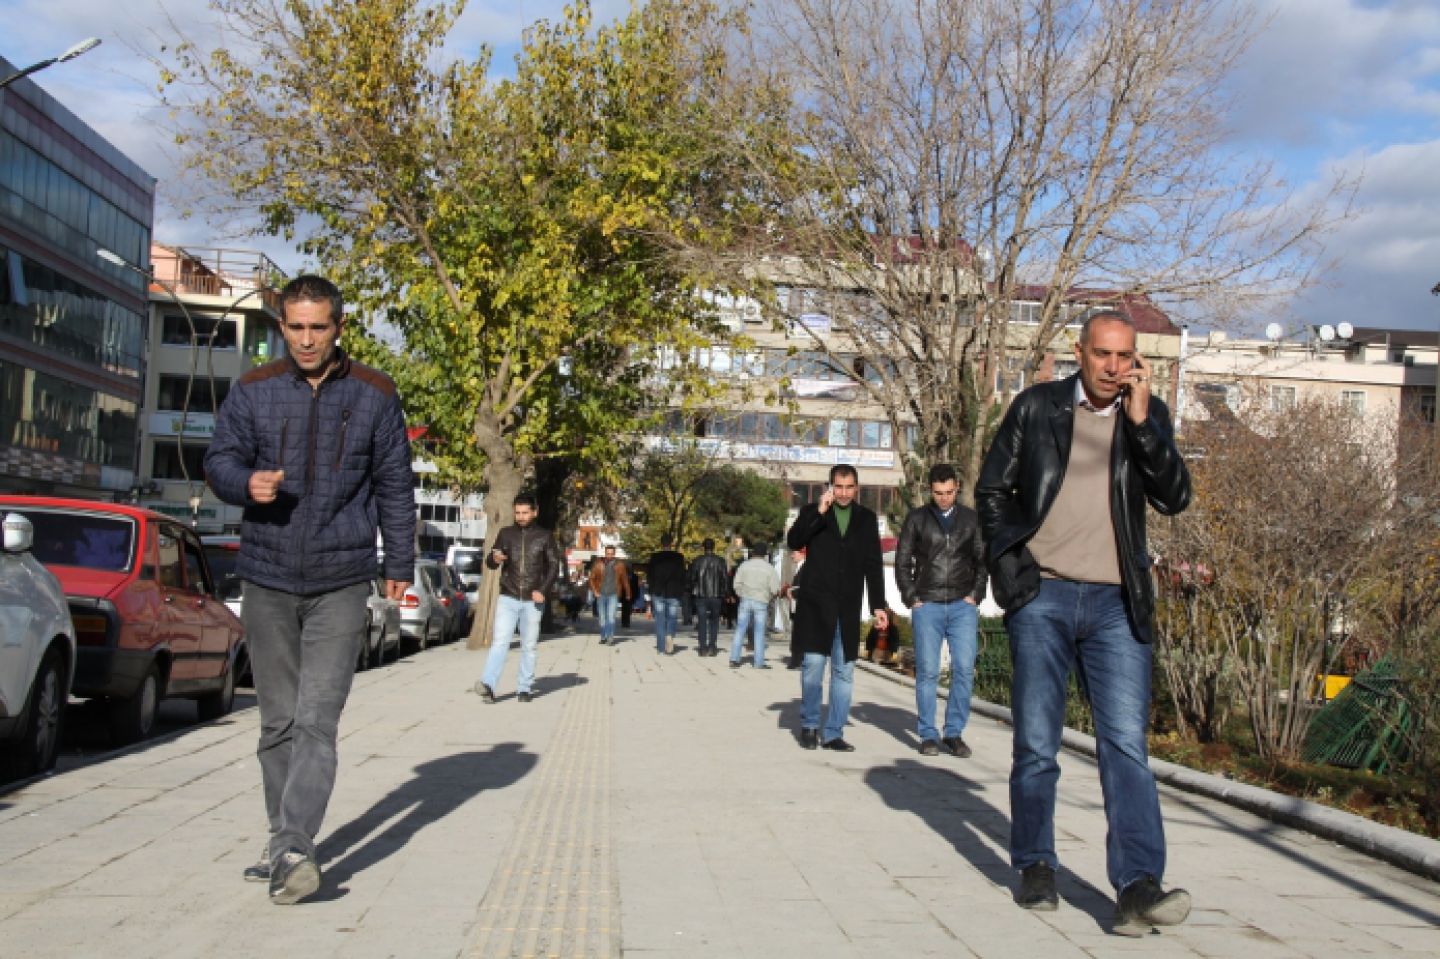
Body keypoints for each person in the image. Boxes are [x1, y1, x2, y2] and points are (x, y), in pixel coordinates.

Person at [975, 310, 1192, 936]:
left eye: (1125, 357)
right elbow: (993, 491)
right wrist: (1012, 569)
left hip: (1117, 603)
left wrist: (1144, 424)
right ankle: (1037, 862)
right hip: (1042, 595)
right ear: (1080, 351)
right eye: (1103, 355)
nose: (1114, 367)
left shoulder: (1144, 415)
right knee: (1039, 740)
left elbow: (1174, 496)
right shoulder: (1038, 406)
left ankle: (1137, 886)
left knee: (1126, 745)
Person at [204, 275, 415, 905]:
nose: (305, 339)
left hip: (341, 578)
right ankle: (280, 842)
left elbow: (395, 485)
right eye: (294, 327)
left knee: (317, 720)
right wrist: (247, 484)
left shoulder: (375, 394)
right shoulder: (253, 389)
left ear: (338, 327)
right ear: (282, 327)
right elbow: (218, 460)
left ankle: (297, 844)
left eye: (317, 327)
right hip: (267, 576)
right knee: (277, 723)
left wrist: (398, 560)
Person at [786, 464, 888, 751]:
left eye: (849, 487)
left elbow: (873, 564)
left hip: (848, 606)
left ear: (857, 488)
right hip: (816, 605)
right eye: (838, 487)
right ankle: (809, 725)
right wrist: (820, 511)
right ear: (829, 487)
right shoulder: (812, 513)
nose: (844, 493)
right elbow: (794, 541)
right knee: (813, 667)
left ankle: (834, 733)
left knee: (844, 671)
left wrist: (878, 605)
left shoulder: (866, 519)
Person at [895, 463, 988, 759]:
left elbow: (983, 560)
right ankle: (928, 734)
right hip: (928, 604)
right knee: (928, 672)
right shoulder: (917, 519)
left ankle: (954, 732)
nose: (944, 498)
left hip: (963, 605)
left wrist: (976, 594)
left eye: (949, 492)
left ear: (957, 488)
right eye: (938, 493)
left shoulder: (971, 520)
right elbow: (903, 560)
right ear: (930, 490)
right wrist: (911, 596)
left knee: (963, 669)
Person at [475, 493, 561, 704]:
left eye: (525, 513)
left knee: (529, 645)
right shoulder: (506, 534)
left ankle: (524, 688)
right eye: (517, 513)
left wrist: (543, 589)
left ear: (535, 512)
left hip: (533, 599)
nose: (521, 517)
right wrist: (494, 558)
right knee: (500, 642)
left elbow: (554, 566)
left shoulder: (544, 536)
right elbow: (491, 561)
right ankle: (488, 684)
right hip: (508, 596)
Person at [729, 544, 780, 668]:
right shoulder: (769, 568)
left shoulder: (744, 566)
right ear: (765, 555)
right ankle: (758, 662)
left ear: (753, 553)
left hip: (745, 599)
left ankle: (734, 659)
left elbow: (736, 584)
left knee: (740, 629)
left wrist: (741, 594)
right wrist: (769, 596)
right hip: (761, 601)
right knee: (759, 631)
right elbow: (775, 589)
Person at [687, 538, 729, 657]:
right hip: (716, 595)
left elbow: (691, 578)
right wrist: (726, 593)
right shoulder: (720, 561)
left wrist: (691, 591)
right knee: (714, 622)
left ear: (703, 547)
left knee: (702, 621)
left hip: (701, 595)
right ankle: (712, 646)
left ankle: (702, 647)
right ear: (713, 547)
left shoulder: (697, 561)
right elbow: (725, 579)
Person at [646, 533, 687, 654]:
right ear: (672, 543)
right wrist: (681, 590)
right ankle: (670, 634)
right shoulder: (679, 557)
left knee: (660, 619)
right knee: (672, 618)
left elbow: (650, 575)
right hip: (673, 592)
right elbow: (682, 575)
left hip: (658, 592)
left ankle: (660, 647)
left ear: (661, 543)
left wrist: (651, 589)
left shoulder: (655, 557)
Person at [589, 545, 631, 645]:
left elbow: (625, 580)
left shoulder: (620, 565)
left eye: (612, 554)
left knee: (611, 617)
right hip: (601, 594)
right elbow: (591, 578)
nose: (610, 555)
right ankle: (603, 636)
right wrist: (595, 591)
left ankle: (610, 637)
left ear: (614, 554)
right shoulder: (598, 564)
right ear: (605, 553)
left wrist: (628, 593)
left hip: (613, 594)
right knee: (602, 618)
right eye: (608, 553)